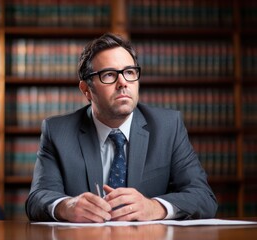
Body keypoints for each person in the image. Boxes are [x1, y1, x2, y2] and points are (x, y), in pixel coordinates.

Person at [25, 33, 217, 223]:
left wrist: (155, 207)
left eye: (130, 72)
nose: (123, 82)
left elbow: (203, 197)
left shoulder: (168, 127)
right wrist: (65, 207)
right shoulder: (58, 132)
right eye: (109, 75)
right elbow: (37, 198)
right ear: (86, 90)